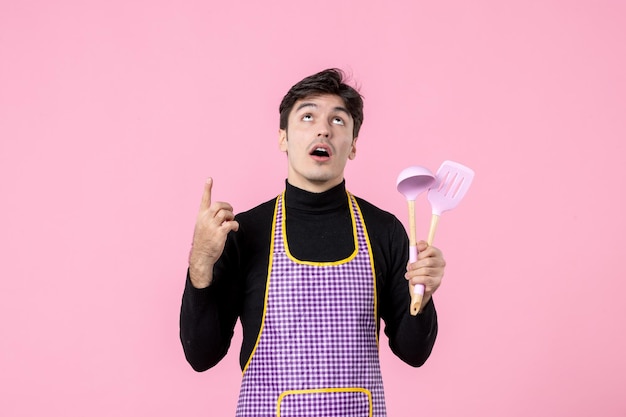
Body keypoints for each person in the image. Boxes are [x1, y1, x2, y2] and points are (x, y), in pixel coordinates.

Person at [180, 68, 445, 417]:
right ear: (283, 138)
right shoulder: (243, 232)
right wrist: (200, 263)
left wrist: (422, 295)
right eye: (308, 116)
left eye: (338, 120)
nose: (323, 128)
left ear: (352, 146)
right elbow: (201, 355)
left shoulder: (385, 231)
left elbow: (414, 353)